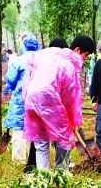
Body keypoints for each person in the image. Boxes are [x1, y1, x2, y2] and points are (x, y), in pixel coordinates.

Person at [23, 35, 95, 171]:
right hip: (49, 99)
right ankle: (60, 174)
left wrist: (27, 100)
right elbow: (70, 97)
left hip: (31, 100)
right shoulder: (68, 64)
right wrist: (73, 121)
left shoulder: (44, 55)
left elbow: (27, 82)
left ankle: (43, 177)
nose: (85, 59)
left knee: (41, 142)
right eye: (86, 55)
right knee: (65, 138)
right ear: (78, 50)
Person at [2, 35, 39, 164]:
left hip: (21, 101)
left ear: (24, 46)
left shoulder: (19, 61)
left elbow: (10, 79)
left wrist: (10, 88)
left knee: (19, 130)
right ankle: (34, 162)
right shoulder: (42, 60)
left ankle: (19, 162)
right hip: (39, 101)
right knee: (37, 129)